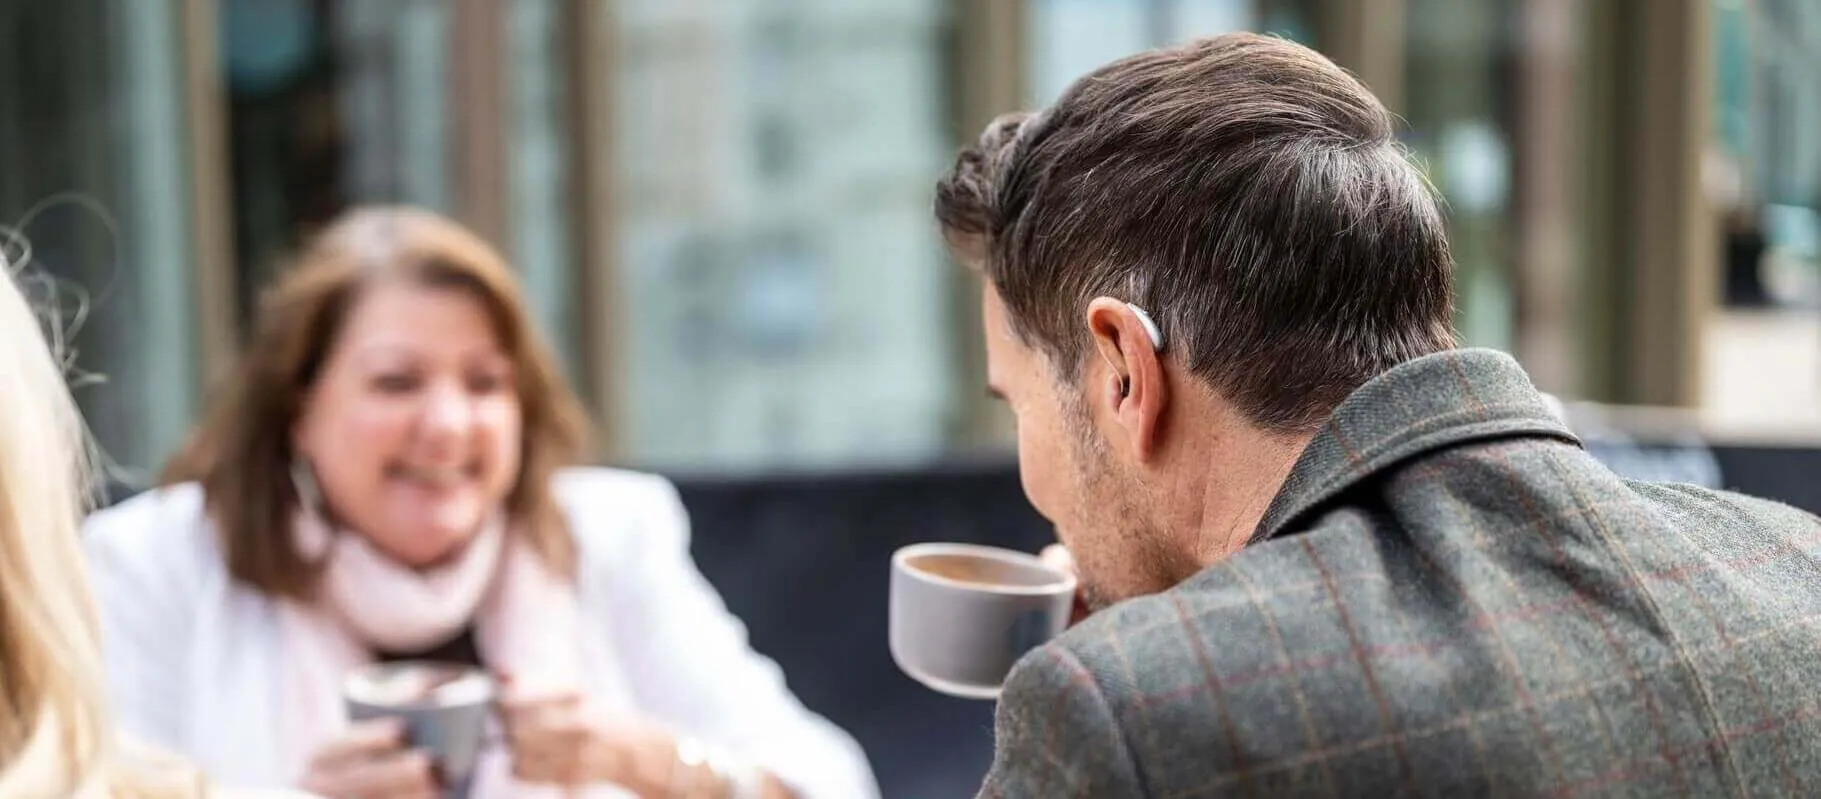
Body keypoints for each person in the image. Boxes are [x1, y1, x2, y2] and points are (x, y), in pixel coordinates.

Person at [935, 32, 1821, 797]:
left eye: (1017, 402)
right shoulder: (1797, 568)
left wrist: (1147, 670)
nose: (1033, 472)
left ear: (1123, 370)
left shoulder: (1125, 711)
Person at [84, 206, 879, 799]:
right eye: (397, 381)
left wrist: (635, 756)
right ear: (300, 409)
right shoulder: (156, 564)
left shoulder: (603, 536)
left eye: (485, 382)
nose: (448, 424)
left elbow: (832, 783)